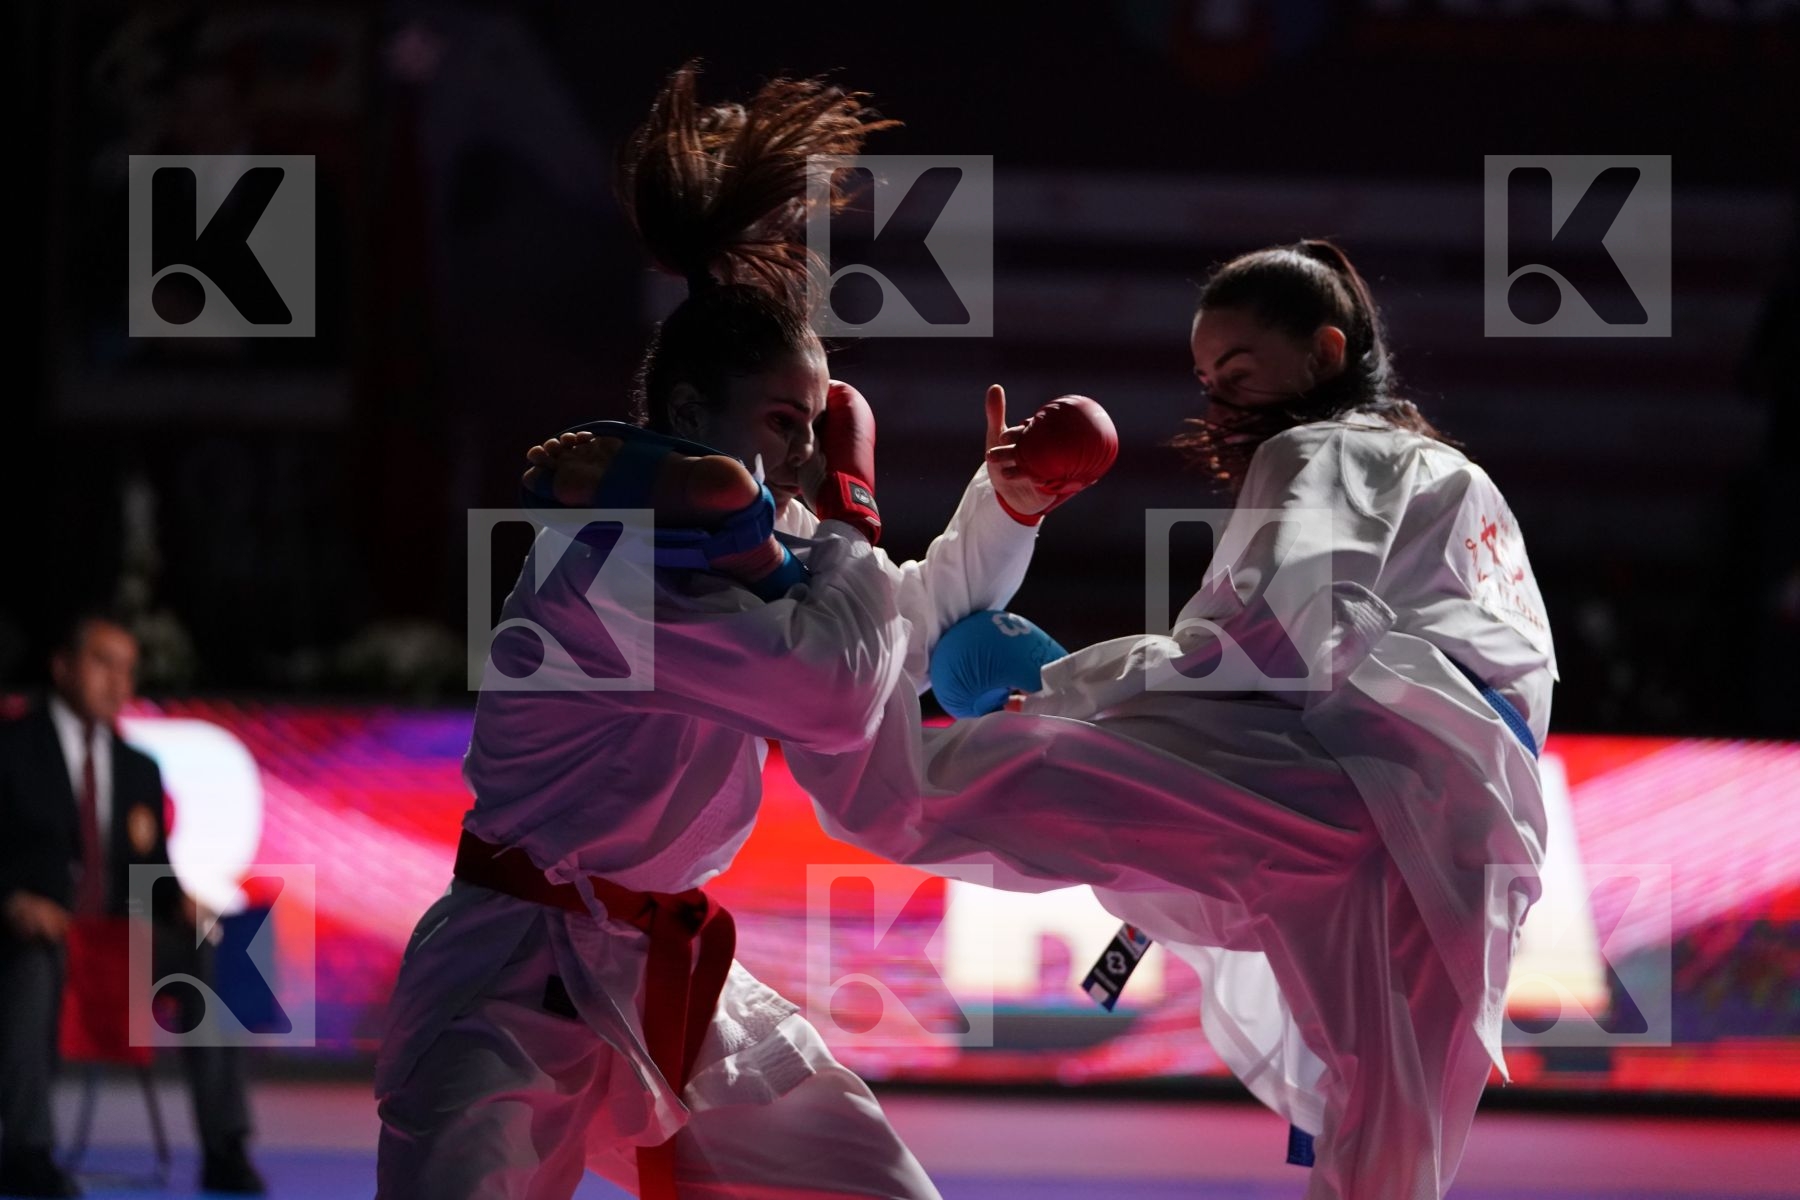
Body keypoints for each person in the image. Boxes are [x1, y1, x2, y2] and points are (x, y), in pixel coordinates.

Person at [374, 64, 1071, 1200]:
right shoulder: (612, 560)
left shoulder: (770, 534)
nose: (802, 452)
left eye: (814, 424)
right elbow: (836, 690)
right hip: (510, 975)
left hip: (675, 974)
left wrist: (1011, 508)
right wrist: (851, 501)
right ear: (691, 420)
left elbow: (894, 632)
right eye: (783, 423)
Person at [785, 240, 1559, 1200]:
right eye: (1205, 379)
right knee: (1387, 1162)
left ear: (1325, 353)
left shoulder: (1316, 447)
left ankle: (840, 569)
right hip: (1468, 843)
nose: (1221, 401)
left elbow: (1277, 640)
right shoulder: (1460, 480)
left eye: (1238, 372)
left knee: (923, 791)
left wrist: (1060, 688)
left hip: (1346, 788)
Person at [0, 611, 263, 1198]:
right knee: (32, 964)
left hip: (116, 947)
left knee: (202, 952)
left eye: (128, 669)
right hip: (37, 937)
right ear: (63, 666)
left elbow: (153, 876)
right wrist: (13, 900)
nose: (118, 682)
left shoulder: (139, 768)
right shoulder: (13, 748)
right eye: (102, 663)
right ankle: (26, 1150)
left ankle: (226, 1147)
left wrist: (180, 900)